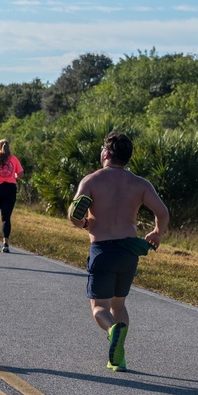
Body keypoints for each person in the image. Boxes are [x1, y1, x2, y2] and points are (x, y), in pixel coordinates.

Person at [69, 131, 169, 372]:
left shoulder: (91, 180)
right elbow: (163, 212)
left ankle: (113, 330)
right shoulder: (140, 184)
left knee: (100, 308)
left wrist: (82, 223)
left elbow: (74, 214)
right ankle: (118, 359)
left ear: (106, 153)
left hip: (102, 250)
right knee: (119, 304)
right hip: (128, 252)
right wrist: (156, 232)